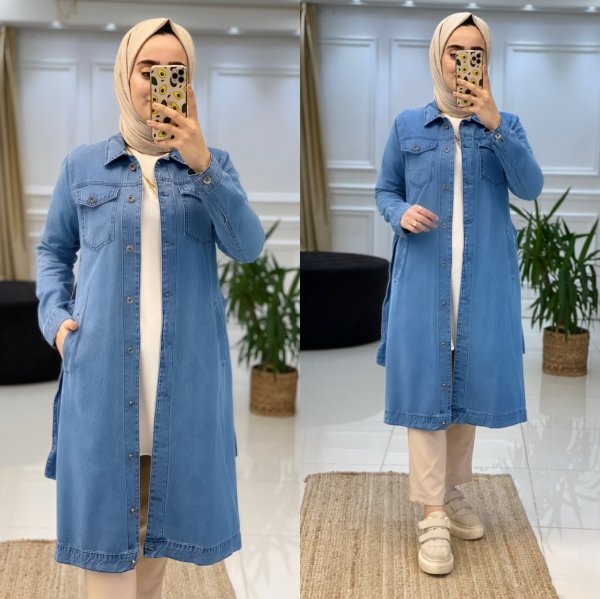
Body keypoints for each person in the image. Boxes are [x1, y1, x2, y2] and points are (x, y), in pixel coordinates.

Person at [35, 17, 265, 598]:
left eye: (175, 71)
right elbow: (53, 251)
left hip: (183, 382)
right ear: (125, 75)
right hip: (103, 375)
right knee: (104, 538)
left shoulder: (212, 162)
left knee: (153, 532)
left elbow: (247, 247)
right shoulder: (82, 165)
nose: (160, 81)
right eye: (148, 69)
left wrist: (203, 163)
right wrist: (56, 323)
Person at [374, 12, 543, 576]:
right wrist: (400, 213)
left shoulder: (505, 124)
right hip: (424, 280)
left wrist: (494, 122)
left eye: (476, 53)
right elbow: (384, 189)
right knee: (426, 390)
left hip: (483, 282)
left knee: (464, 385)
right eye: (456, 51)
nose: (465, 62)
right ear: (438, 57)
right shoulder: (407, 125)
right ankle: (431, 514)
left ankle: (449, 489)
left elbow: (530, 186)